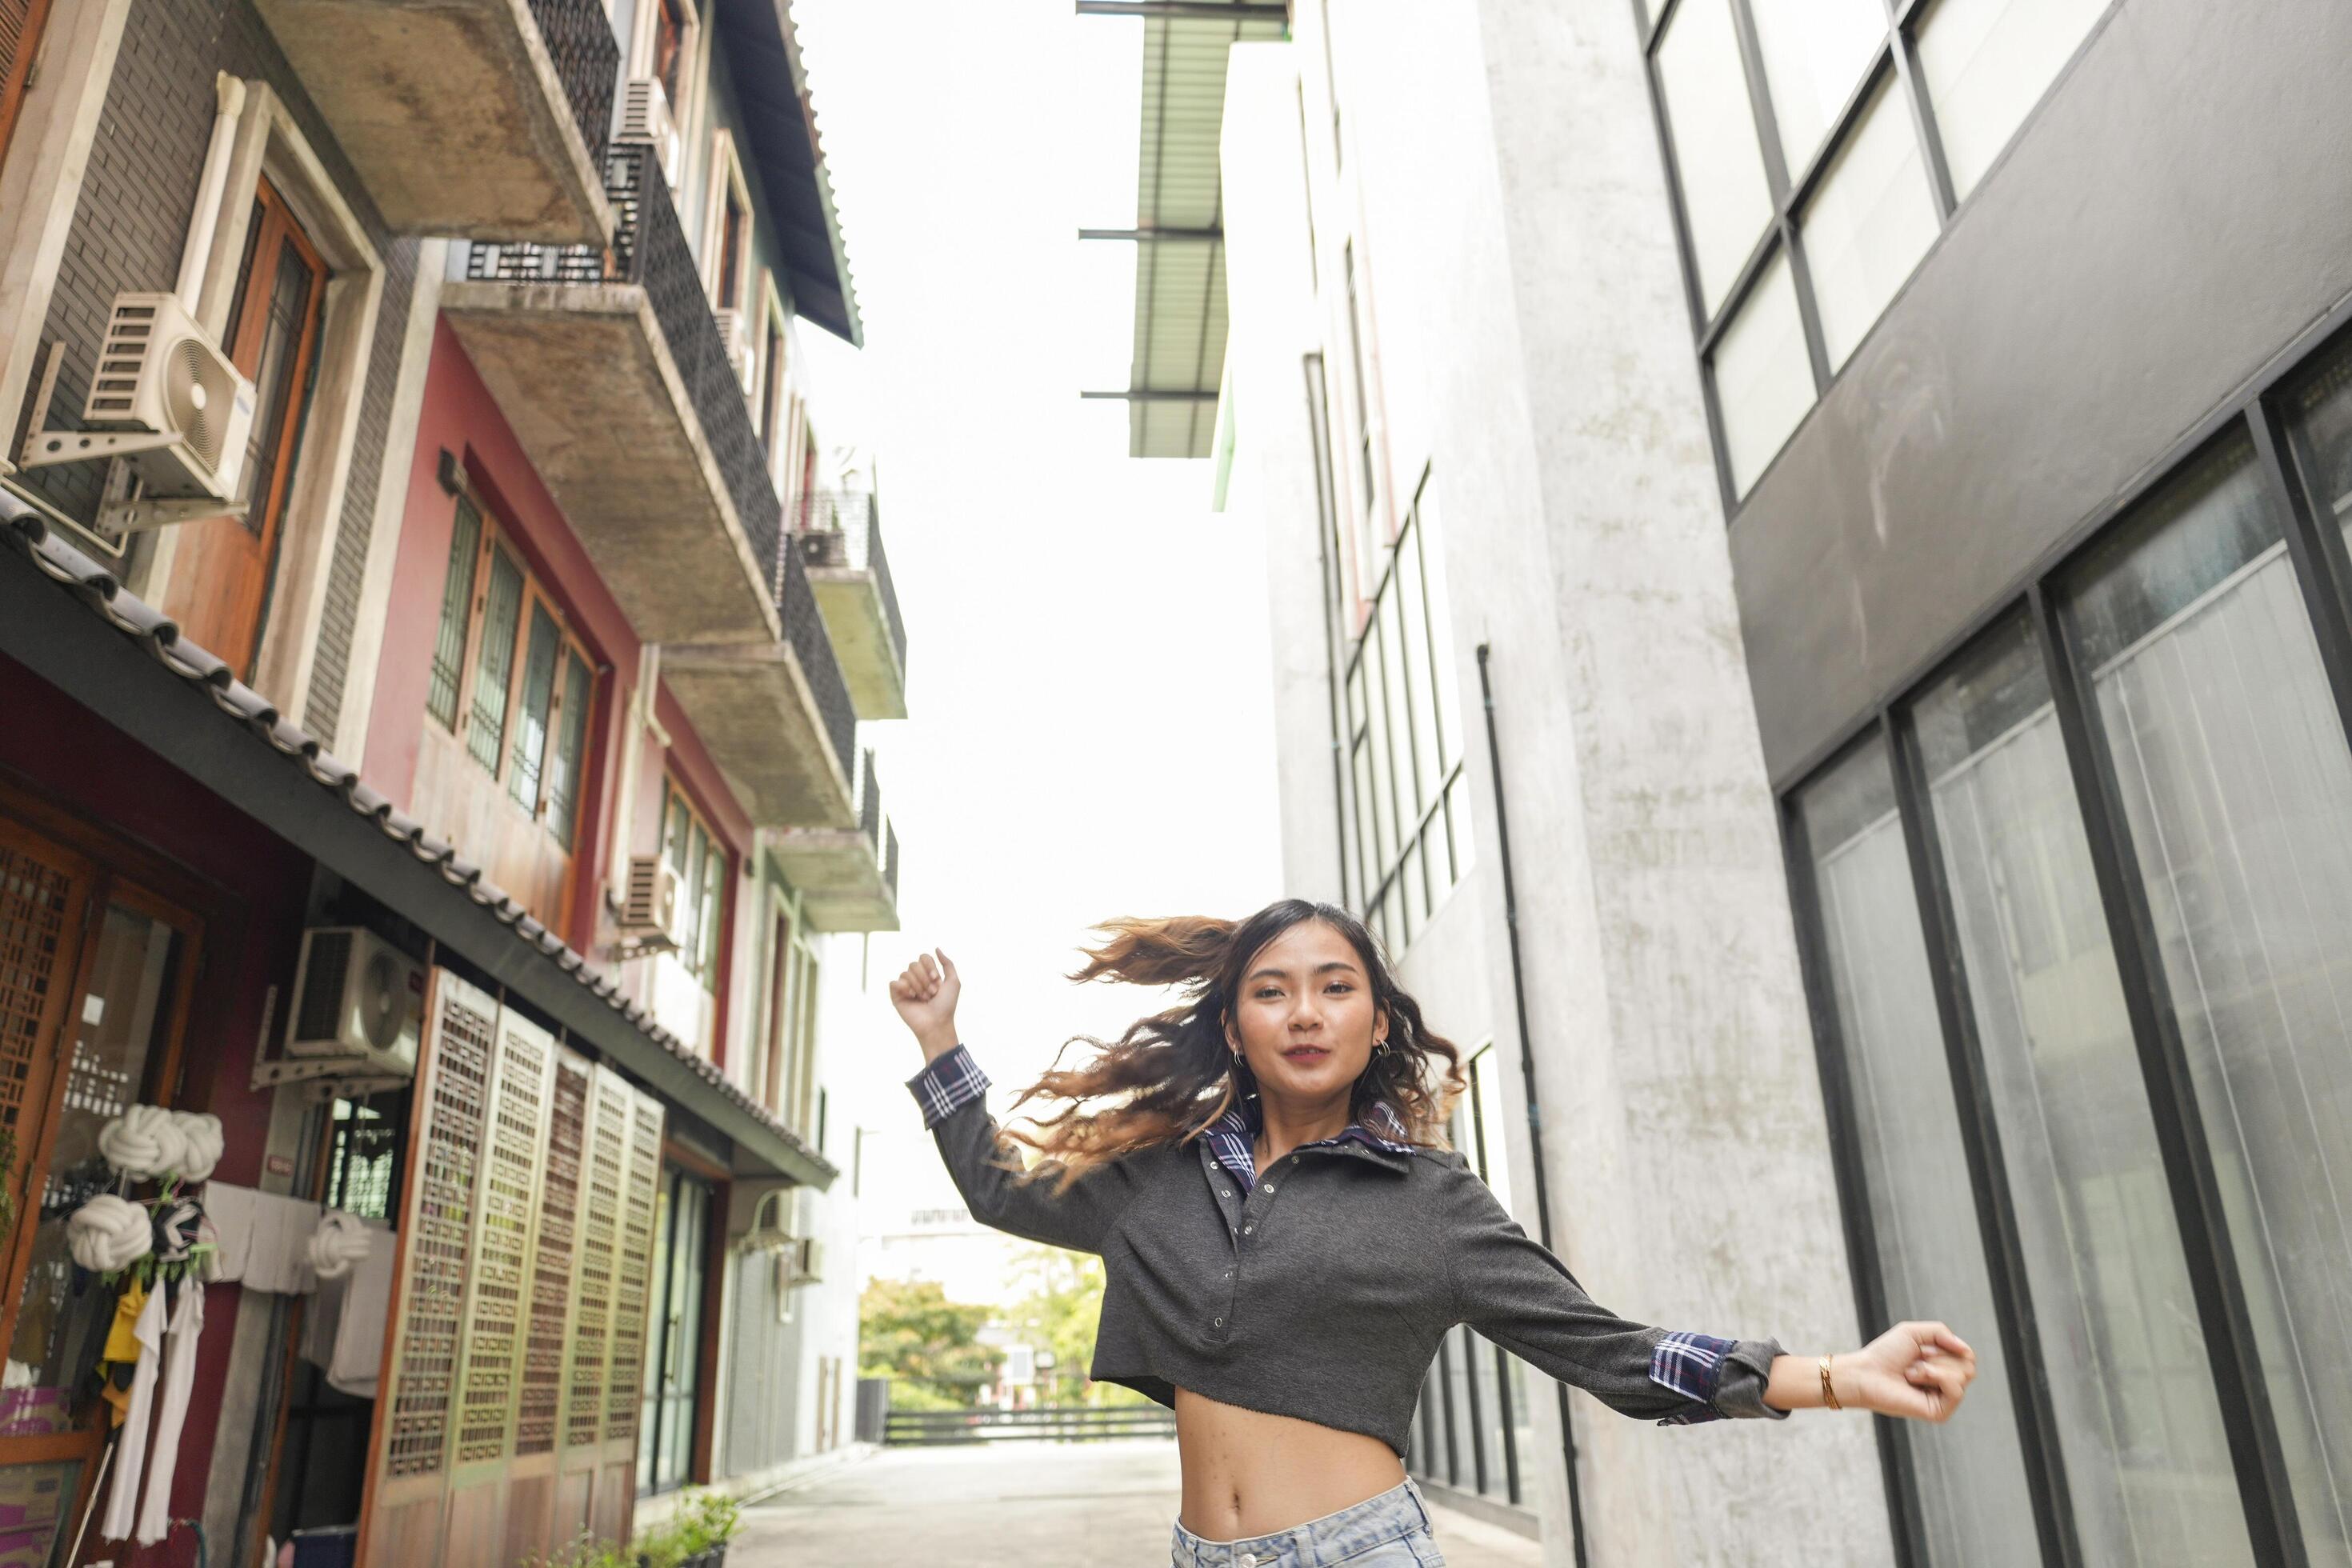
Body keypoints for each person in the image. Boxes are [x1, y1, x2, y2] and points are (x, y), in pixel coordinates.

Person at [889, 898, 1977, 1568]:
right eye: (1273, 993)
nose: (1306, 1012)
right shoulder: (1158, 1186)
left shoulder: (1430, 1201)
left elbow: (1613, 1354)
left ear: (1375, 1022)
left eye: (1335, 988)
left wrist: (1840, 1375)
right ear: (1235, 1027)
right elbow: (1000, 1191)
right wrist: (941, 1042)